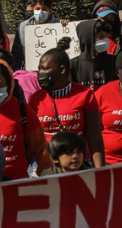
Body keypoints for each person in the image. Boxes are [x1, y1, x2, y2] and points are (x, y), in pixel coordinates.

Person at [30, 39, 106, 168]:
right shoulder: (36, 99)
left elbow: (95, 138)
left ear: (62, 70)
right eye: (39, 70)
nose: (40, 74)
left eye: (45, 69)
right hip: (45, 167)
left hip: (78, 165)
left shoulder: (85, 95)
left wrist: (100, 171)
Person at [13, 0, 63, 70]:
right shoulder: (23, 26)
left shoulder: (58, 25)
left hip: (51, 72)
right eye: (37, 9)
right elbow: (17, 53)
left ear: (50, 10)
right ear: (33, 8)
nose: (40, 12)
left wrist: (65, 26)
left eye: (44, 9)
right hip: (29, 72)